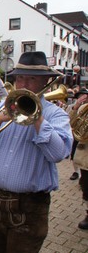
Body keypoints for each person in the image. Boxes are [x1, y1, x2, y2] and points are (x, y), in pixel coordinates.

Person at [0, 51, 73, 253]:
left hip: (30, 206)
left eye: (31, 78)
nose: (23, 84)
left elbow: (58, 154)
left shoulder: (55, 114)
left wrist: (37, 118)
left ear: (46, 81)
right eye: (20, 77)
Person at [69, 88, 88, 229]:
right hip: (86, 154)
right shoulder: (84, 108)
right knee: (86, 185)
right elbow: (70, 124)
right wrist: (75, 108)